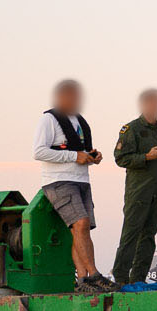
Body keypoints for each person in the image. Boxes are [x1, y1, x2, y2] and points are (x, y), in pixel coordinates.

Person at [33, 78, 110, 292]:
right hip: (59, 181)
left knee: (81, 230)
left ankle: (83, 281)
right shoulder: (49, 120)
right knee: (81, 224)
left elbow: (80, 151)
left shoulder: (79, 120)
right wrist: (74, 156)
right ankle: (94, 275)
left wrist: (92, 156)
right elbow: (39, 151)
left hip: (82, 180)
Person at [112, 88, 157, 285]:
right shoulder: (131, 129)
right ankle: (121, 278)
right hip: (138, 191)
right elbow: (121, 158)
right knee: (131, 234)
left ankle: (138, 279)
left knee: (149, 236)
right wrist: (146, 158)